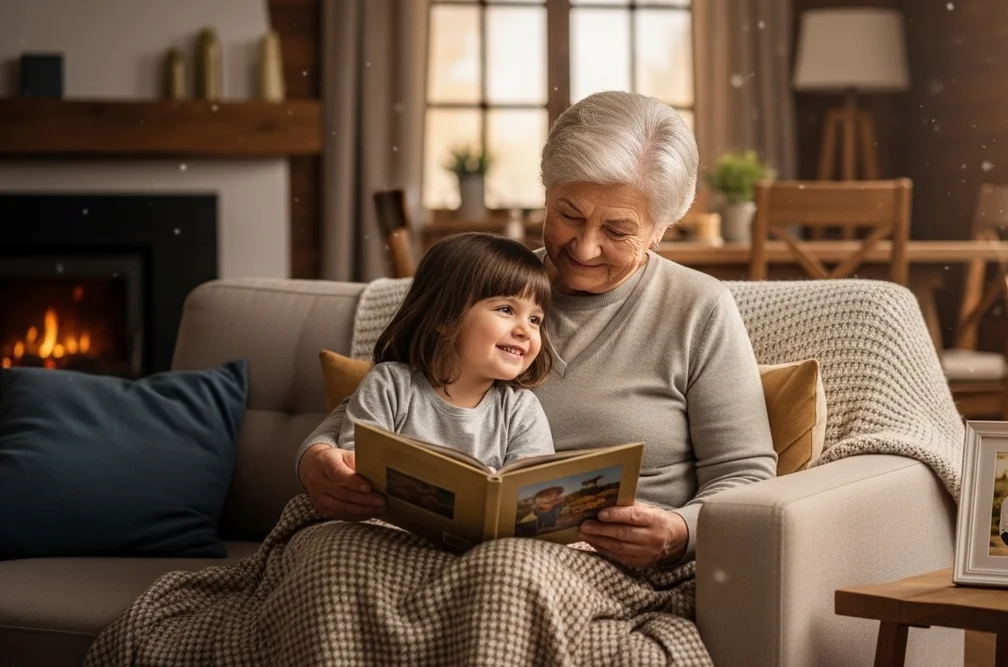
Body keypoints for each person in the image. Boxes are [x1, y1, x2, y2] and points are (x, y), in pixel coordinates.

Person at [296, 90, 777, 569]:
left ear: (660, 229)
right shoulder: (484, 285)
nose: (584, 248)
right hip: (434, 547)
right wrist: (316, 460)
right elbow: (392, 392)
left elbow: (746, 471)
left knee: (508, 574)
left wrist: (681, 532)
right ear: (546, 193)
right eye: (568, 214)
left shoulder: (700, 309)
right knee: (326, 557)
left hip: (600, 563)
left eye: (617, 230)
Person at [335, 232, 556, 474]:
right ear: (446, 317)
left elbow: (529, 488)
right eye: (506, 309)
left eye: (535, 319)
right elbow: (355, 460)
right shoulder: (389, 385)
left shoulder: (520, 410)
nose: (526, 330)